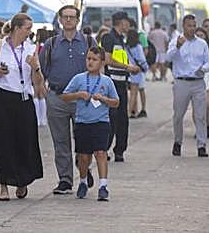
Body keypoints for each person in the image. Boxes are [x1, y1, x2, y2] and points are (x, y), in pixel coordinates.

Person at [0, 13, 45, 200]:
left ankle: (22, 181)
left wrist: (36, 67)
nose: (30, 32)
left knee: (25, 141)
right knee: (2, 142)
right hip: (1, 99)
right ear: (16, 28)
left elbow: (38, 82)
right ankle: (4, 186)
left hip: (24, 99)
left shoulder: (31, 49)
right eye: (27, 28)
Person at [41, 4, 92, 194]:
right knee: (61, 141)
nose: (69, 20)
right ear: (60, 20)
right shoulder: (51, 44)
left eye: (72, 17)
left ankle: (85, 171)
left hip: (82, 99)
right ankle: (65, 180)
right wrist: (42, 91)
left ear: (78, 20)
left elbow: (97, 67)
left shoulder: (88, 42)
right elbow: (42, 70)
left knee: (84, 140)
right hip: (58, 97)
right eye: (65, 17)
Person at [61, 47, 118, 201]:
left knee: (101, 152)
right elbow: (65, 96)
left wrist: (104, 99)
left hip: (101, 122)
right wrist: (78, 94)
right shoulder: (78, 79)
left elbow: (116, 102)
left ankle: (103, 186)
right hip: (82, 122)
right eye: (88, 58)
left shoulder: (107, 81)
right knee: (84, 156)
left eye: (94, 59)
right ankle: (83, 181)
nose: (90, 62)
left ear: (101, 62)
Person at [167, 14, 209, 158]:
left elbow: (208, 62)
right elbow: (168, 58)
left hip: (198, 82)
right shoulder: (176, 41)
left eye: (193, 25)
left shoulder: (202, 44)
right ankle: (178, 142)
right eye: (189, 26)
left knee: (200, 115)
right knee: (178, 115)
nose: (191, 28)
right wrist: (178, 47)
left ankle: (201, 145)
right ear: (183, 26)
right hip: (181, 82)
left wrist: (203, 69)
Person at [98, 12, 136, 162]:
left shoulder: (121, 39)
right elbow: (107, 59)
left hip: (122, 83)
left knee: (122, 119)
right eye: (127, 22)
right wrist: (128, 67)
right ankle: (105, 148)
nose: (129, 25)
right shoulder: (109, 37)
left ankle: (119, 150)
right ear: (122, 22)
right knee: (111, 118)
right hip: (111, 82)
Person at [126, 29, 149, 119]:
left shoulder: (126, 47)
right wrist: (146, 68)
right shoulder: (138, 47)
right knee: (135, 93)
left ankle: (133, 111)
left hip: (130, 71)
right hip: (137, 71)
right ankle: (129, 112)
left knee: (132, 93)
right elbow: (142, 59)